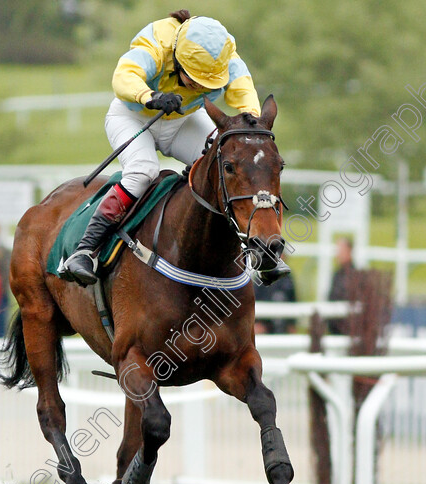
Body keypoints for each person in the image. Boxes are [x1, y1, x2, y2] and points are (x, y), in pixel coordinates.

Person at [63, 9, 261, 286]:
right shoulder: (158, 39)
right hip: (133, 117)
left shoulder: (224, 55)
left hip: (183, 121)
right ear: (178, 58)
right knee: (143, 171)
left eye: (207, 82)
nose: (200, 87)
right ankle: (85, 250)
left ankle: (256, 248)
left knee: (225, 166)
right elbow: (125, 76)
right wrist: (150, 96)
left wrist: (253, 115)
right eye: (194, 79)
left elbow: (243, 88)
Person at [254, 255, 297, 334]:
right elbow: (254, 300)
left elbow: (293, 299)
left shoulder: (288, 278)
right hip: (264, 323)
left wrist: (292, 324)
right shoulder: (260, 277)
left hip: (283, 323)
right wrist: (257, 322)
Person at [327, 237, 355, 335]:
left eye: (341, 251)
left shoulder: (355, 275)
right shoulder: (337, 274)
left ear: (349, 251)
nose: (338, 254)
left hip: (349, 328)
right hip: (334, 327)